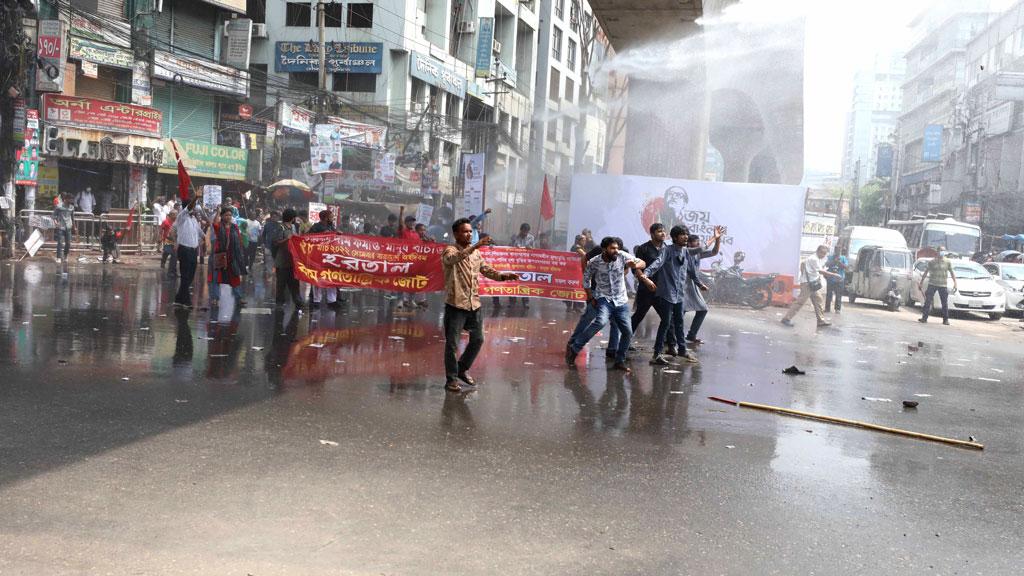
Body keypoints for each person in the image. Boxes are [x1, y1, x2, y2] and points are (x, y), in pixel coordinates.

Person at [441, 218, 519, 392]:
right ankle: (451, 379)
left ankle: (462, 368)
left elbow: (487, 270)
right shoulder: (449, 250)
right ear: (456, 234)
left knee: (478, 339)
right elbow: (453, 260)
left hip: (474, 303)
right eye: (464, 231)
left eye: (470, 231)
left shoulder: (476, 254)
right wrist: (475, 246)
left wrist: (505, 276)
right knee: (452, 344)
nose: (468, 234)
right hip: (456, 304)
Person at [640, 225, 722, 365]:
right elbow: (656, 264)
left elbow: (692, 269)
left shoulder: (686, 252)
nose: (685, 237)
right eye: (682, 234)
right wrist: (645, 276)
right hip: (666, 294)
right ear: (674, 237)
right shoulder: (667, 251)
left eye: (686, 234)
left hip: (679, 294)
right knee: (665, 323)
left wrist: (698, 283)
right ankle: (657, 354)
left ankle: (682, 350)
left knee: (679, 323)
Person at [565, 237, 646, 372]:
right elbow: (586, 280)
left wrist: (635, 265)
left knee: (627, 331)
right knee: (600, 322)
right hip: (604, 298)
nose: (615, 251)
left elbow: (642, 263)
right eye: (612, 248)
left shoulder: (622, 256)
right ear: (604, 249)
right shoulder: (594, 262)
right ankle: (575, 348)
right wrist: (590, 297)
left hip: (621, 300)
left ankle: (619, 361)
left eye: (616, 248)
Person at [630, 223, 670, 346]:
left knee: (667, 318)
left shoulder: (668, 249)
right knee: (638, 316)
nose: (663, 233)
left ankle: (669, 344)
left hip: (662, 290)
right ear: (652, 234)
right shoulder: (644, 249)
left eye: (664, 231)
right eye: (659, 231)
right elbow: (635, 268)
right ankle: (625, 341)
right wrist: (645, 280)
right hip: (646, 289)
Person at [781, 245, 840, 327]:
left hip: (812, 284)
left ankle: (821, 320)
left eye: (825, 254)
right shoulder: (813, 259)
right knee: (800, 302)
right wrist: (834, 274)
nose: (823, 255)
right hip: (808, 285)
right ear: (818, 251)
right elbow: (820, 271)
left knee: (818, 300)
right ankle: (786, 319)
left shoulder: (815, 258)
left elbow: (804, 265)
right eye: (822, 253)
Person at [683, 233, 721, 345]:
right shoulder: (686, 252)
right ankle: (669, 338)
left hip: (692, 285)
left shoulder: (697, 254)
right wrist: (700, 284)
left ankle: (691, 335)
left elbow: (714, 252)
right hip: (684, 285)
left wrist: (718, 240)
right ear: (689, 243)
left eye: (699, 242)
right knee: (680, 311)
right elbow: (691, 272)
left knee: (702, 309)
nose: (699, 244)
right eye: (696, 242)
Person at [207, 207, 247, 307]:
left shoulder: (234, 227)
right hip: (220, 256)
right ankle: (215, 299)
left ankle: (239, 298)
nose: (228, 217)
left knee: (235, 277)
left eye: (230, 215)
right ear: (222, 216)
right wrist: (218, 212)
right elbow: (214, 223)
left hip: (232, 256)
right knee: (216, 278)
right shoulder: (219, 226)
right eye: (226, 215)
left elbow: (238, 239)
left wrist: (240, 253)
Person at [173, 198, 208, 308]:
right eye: (193, 206)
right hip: (184, 250)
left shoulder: (193, 220)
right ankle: (186, 301)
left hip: (193, 251)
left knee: (190, 276)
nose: (195, 209)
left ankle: (179, 298)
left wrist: (207, 226)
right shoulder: (181, 217)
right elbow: (188, 208)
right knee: (185, 276)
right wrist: (196, 197)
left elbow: (201, 233)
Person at [273, 208, 304, 310]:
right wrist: (287, 239)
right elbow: (276, 242)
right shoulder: (280, 227)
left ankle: (298, 301)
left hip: (293, 260)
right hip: (282, 260)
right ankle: (279, 303)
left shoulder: (295, 227)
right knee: (281, 284)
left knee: (294, 283)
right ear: (292, 217)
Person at [308, 209, 339, 309]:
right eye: (331, 216)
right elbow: (308, 238)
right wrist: (321, 235)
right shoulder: (316, 227)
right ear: (325, 217)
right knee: (318, 278)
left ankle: (332, 300)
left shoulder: (331, 227)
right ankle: (316, 300)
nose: (332, 218)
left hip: (331, 257)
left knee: (332, 277)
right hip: (319, 256)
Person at [918, 249, 959, 325]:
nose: (942, 252)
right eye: (941, 250)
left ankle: (945, 319)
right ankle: (924, 318)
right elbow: (926, 272)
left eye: (943, 251)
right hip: (932, 284)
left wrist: (955, 283)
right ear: (937, 252)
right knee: (928, 301)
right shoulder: (932, 262)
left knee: (944, 303)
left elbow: (952, 272)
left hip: (943, 285)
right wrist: (921, 282)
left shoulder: (947, 262)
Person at [506, 223, 536, 308]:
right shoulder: (514, 237)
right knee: (512, 282)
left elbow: (535, 251)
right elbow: (508, 248)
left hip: (526, 265)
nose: (525, 233)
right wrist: (515, 247)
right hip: (515, 264)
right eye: (524, 231)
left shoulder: (531, 238)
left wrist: (531, 249)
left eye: (527, 231)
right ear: (521, 230)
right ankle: (512, 302)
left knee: (525, 282)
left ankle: (525, 302)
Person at [824, 245, 849, 314]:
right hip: (830, 279)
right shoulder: (830, 257)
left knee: (838, 295)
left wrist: (839, 262)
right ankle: (827, 308)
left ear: (841, 251)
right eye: (836, 250)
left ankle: (837, 309)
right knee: (829, 294)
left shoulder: (843, 258)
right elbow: (826, 264)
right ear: (835, 250)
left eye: (839, 250)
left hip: (840, 279)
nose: (837, 252)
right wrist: (834, 261)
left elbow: (846, 267)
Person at [52, 193, 74, 263]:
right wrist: (56, 222)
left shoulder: (71, 207)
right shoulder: (59, 206)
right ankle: (58, 257)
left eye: (72, 200)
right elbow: (54, 215)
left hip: (68, 227)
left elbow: (73, 217)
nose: (71, 201)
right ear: (66, 199)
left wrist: (74, 226)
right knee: (60, 243)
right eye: (70, 199)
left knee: (68, 243)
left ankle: (65, 256)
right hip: (61, 227)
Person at [160, 210, 178, 277]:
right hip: (167, 240)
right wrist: (160, 237)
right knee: (167, 252)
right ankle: (163, 261)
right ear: (170, 215)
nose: (175, 216)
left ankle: (173, 270)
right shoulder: (165, 221)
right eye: (173, 214)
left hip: (174, 241)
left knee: (174, 255)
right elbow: (161, 229)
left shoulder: (177, 222)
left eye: (176, 214)